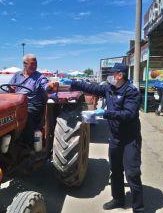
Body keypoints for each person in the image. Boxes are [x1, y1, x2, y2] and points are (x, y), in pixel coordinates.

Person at [61, 63, 144, 213]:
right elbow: (91, 88)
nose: (109, 76)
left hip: (130, 139)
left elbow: (129, 114)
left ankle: (139, 208)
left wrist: (104, 113)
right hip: (115, 138)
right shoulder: (109, 88)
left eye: (112, 73)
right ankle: (118, 199)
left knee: (132, 173)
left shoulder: (132, 92)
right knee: (116, 170)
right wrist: (72, 83)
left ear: (120, 75)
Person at [9, 54, 58, 148]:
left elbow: (46, 86)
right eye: (32, 64)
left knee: (26, 115)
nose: (34, 66)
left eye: (36, 64)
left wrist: (50, 86)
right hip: (17, 103)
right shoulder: (17, 75)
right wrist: (11, 89)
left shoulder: (40, 77)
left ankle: (28, 145)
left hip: (33, 105)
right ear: (24, 64)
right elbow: (10, 89)